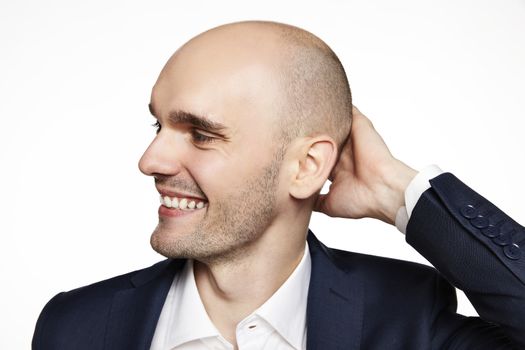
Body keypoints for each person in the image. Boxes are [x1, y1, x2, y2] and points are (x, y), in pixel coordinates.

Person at [32, 20, 525, 350]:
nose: (150, 160)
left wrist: (396, 193)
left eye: (201, 134)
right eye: (158, 126)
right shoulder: (75, 327)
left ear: (308, 166)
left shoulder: (406, 317)